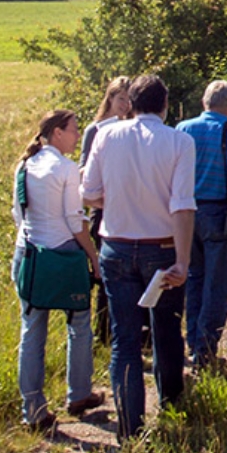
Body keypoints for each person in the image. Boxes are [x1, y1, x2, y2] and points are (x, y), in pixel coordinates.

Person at [81, 74, 195, 441]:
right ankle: (172, 405)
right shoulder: (179, 141)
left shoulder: (106, 135)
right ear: (165, 104)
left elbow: (89, 192)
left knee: (124, 339)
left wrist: (114, 200)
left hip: (115, 244)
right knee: (166, 331)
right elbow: (181, 205)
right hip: (160, 247)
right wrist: (183, 260)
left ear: (130, 103)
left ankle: (130, 429)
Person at [13, 109, 105, 432]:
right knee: (79, 321)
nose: (77, 136)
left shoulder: (23, 167)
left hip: (29, 255)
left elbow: (18, 215)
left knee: (32, 331)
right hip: (63, 255)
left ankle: (33, 409)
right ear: (56, 134)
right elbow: (76, 221)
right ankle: (78, 393)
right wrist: (94, 258)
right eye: (73, 130)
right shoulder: (66, 169)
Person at [176, 79, 227, 367]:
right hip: (219, 213)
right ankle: (206, 348)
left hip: (185, 213)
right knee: (216, 283)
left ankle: (192, 339)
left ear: (205, 101)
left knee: (193, 277)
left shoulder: (183, 129)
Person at [79, 77, 133, 345]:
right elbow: (83, 170)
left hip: (128, 207)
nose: (125, 105)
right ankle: (103, 331)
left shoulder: (133, 128)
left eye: (128, 99)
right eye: (120, 98)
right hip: (102, 208)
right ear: (110, 99)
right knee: (104, 271)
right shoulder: (96, 129)